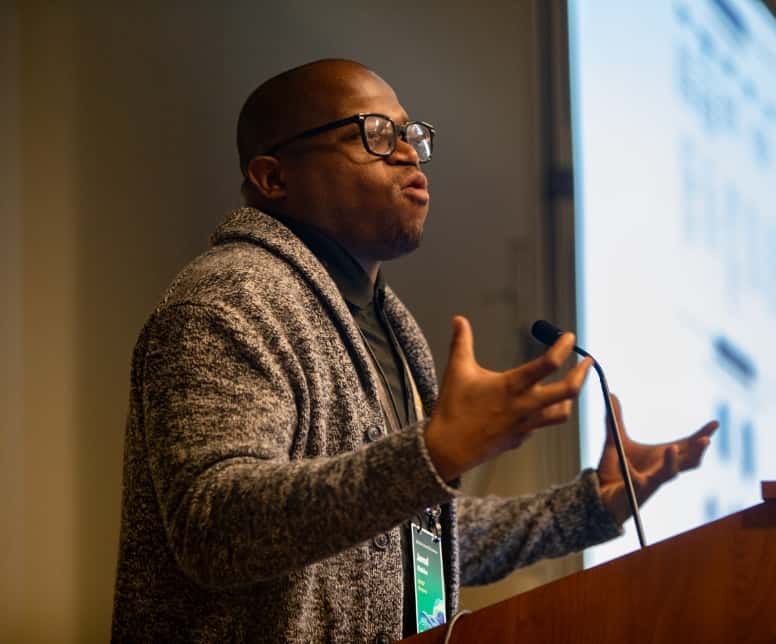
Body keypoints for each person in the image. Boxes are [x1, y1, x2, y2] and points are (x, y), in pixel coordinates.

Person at [110, 58, 717, 643]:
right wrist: (430, 454)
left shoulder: (393, 332)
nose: (406, 151)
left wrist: (591, 506)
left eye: (411, 133)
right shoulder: (232, 298)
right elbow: (217, 527)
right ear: (274, 177)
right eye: (373, 133)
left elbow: (408, 544)